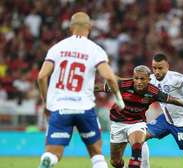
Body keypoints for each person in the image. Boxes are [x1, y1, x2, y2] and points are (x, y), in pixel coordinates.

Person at [37, 12, 125, 168]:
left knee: (53, 152)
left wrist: (46, 103)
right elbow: (110, 77)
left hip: (60, 108)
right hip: (85, 108)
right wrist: (119, 98)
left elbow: (42, 77)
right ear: (89, 27)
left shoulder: (56, 48)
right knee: (97, 155)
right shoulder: (95, 50)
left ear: (71, 27)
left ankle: (49, 160)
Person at [97, 65, 183, 168]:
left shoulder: (153, 92)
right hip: (118, 123)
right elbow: (100, 87)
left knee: (138, 144)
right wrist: (82, 92)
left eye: (142, 79)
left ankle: (141, 164)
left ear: (148, 80)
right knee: (115, 162)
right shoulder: (123, 85)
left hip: (137, 122)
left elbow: (171, 99)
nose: (139, 82)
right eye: (136, 78)